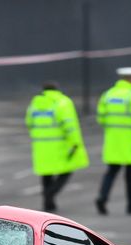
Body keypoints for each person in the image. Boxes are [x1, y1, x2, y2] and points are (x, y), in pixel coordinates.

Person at [95, 67, 131, 215]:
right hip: (130, 141)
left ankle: (102, 197)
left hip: (113, 141)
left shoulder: (108, 94)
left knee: (111, 172)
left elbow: (101, 118)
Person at [25, 81, 89, 212]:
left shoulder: (35, 104)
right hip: (59, 145)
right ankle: (50, 195)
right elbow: (69, 125)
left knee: (46, 173)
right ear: (57, 89)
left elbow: (29, 122)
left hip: (41, 145)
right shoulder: (63, 102)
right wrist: (75, 142)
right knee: (67, 170)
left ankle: (48, 202)